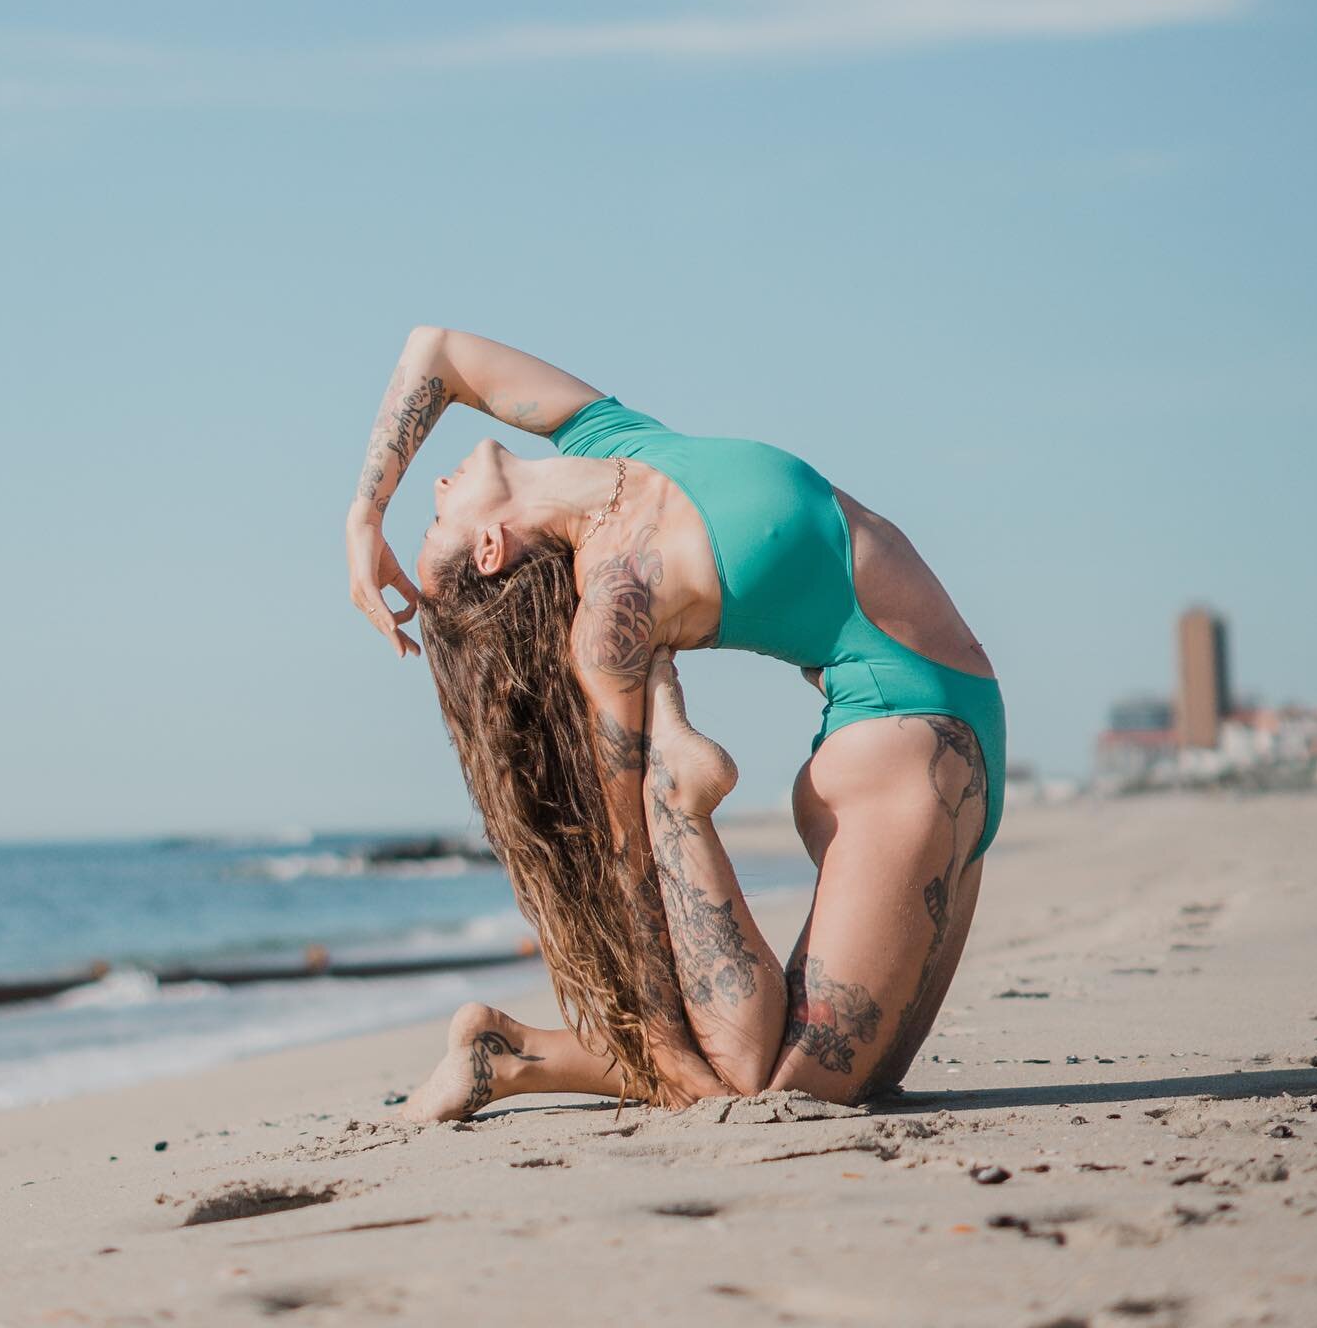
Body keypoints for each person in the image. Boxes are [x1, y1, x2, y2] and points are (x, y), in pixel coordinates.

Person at [345, 325, 1005, 1119]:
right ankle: (682, 792)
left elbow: (437, 350)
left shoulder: (614, 441)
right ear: (490, 548)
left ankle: (511, 1055)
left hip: (946, 732)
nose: (437, 492)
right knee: (779, 1089)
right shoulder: (613, 610)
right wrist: (663, 1046)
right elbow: (630, 865)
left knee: (859, 1082)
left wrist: (363, 519)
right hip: (901, 755)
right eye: (431, 526)